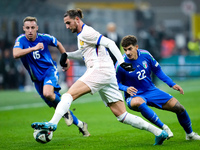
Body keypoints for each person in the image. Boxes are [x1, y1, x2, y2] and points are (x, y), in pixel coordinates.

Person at [31, 9, 169, 145]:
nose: (67, 26)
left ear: (77, 19)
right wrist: (68, 55)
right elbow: (84, 52)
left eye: (68, 23)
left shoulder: (87, 32)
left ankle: (52, 124)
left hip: (99, 70)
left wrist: (122, 64)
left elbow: (110, 43)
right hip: (107, 74)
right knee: (122, 115)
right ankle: (158, 132)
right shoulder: (81, 35)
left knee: (68, 95)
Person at [13, 16, 90, 137]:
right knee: (57, 106)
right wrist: (34, 48)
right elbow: (16, 54)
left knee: (48, 94)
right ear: (23, 28)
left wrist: (66, 59)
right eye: (27, 28)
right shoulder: (21, 40)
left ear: (37, 28)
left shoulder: (44, 38)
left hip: (49, 71)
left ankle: (68, 116)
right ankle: (81, 125)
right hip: (36, 79)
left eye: (33, 27)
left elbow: (58, 43)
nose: (30, 30)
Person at [115, 35, 200, 141]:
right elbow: (115, 83)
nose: (127, 52)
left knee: (180, 108)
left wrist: (172, 84)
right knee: (139, 102)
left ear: (136, 47)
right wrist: (125, 88)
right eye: (125, 50)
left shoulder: (145, 55)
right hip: (134, 95)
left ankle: (190, 134)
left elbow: (158, 70)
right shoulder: (121, 63)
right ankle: (164, 128)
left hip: (151, 90)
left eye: (130, 49)